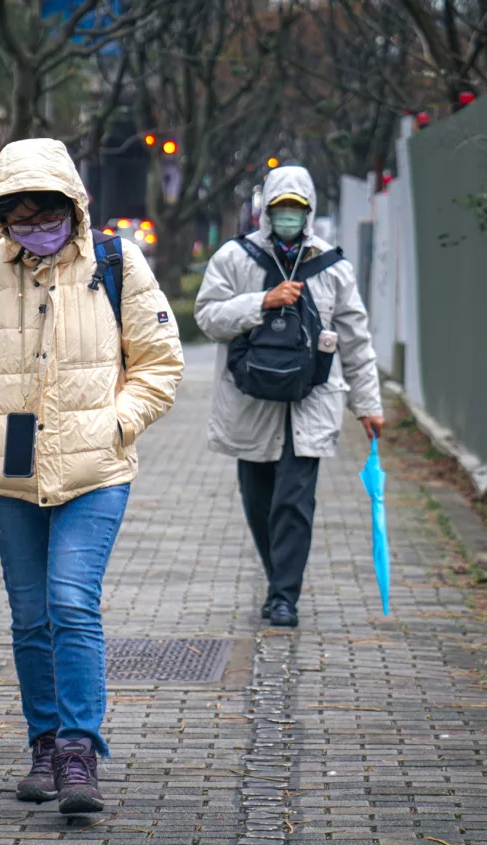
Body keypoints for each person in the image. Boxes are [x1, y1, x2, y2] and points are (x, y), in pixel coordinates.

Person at [0, 139, 184, 814]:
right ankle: (44, 743)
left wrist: (117, 425)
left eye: (47, 212)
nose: (35, 226)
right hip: (8, 468)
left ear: (75, 205)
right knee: (31, 613)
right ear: (1, 219)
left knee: (71, 600)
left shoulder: (116, 263)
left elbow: (160, 362)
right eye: (19, 216)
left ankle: (78, 750)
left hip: (96, 467)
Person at [194, 165, 382, 629]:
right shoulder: (234, 260)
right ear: (267, 211)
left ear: (310, 211)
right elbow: (207, 317)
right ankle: (277, 576)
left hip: (311, 402)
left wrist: (369, 404)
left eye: (297, 210)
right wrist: (261, 302)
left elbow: (356, 339)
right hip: (251, 403)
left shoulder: (333, 268)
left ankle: (284, 597)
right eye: (281, 209)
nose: (288, 217)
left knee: (294, 503)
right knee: (258, 504)